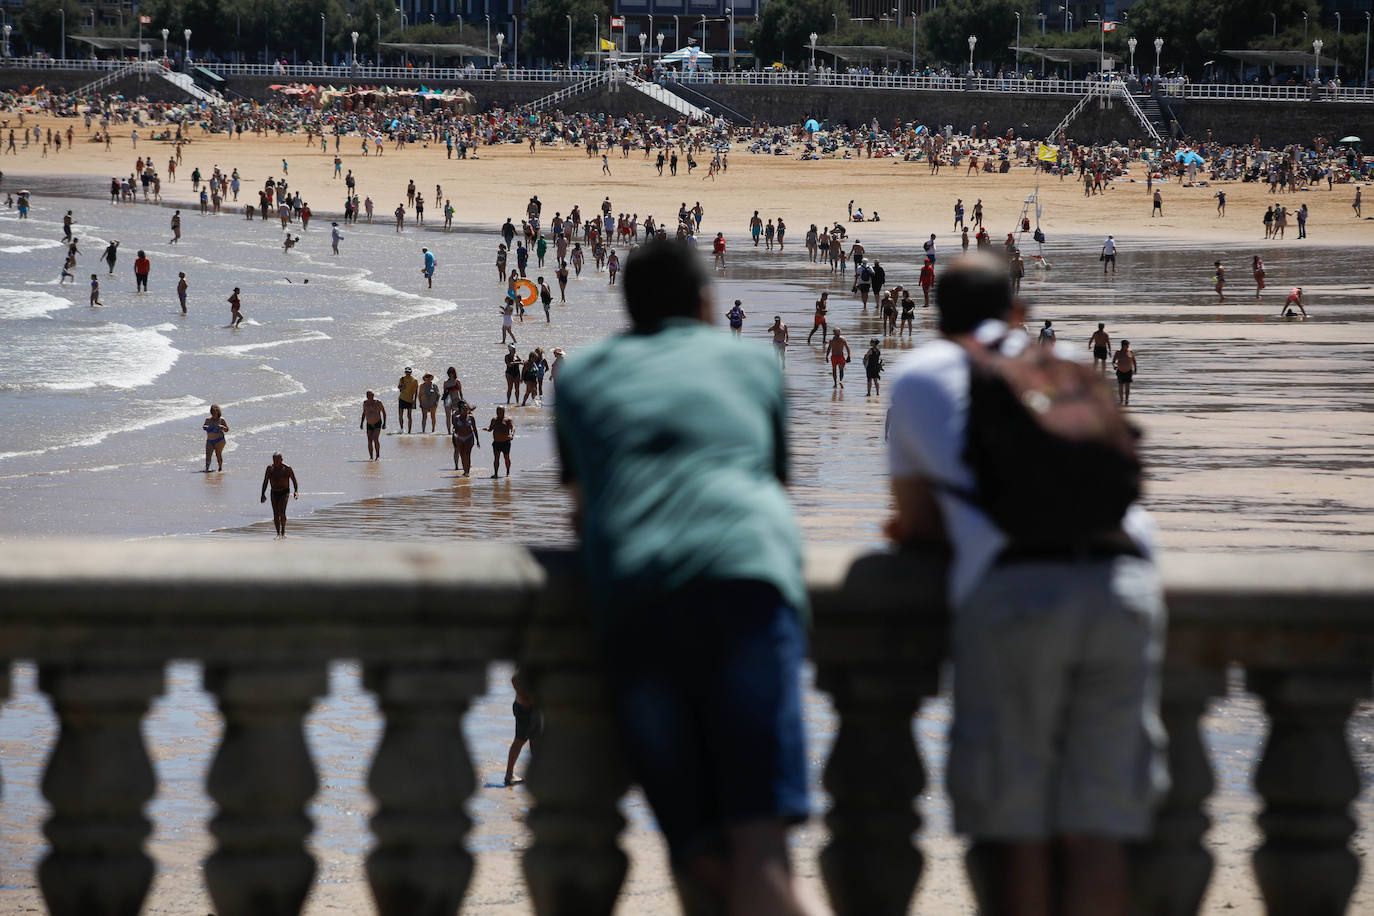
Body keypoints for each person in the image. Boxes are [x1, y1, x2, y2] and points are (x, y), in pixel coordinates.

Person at [885, 254, 1165, 916]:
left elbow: (920, 521)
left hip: (1019, 591)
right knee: (1099, 826)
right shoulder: (1064, 361)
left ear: (933, 313)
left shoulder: (921, 373)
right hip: (1126, 578)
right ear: (1017, 311)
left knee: (1019, 832)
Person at [553, 239, 811, 915]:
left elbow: (582, 510)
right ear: (706, 302)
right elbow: (776, 483)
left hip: (640, 599)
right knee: (760, 845)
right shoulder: (755, 362)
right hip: (750, 584)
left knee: (697, 848)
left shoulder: (580, 375)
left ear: (628, 306)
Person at [504, 668, 542, 787]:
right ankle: (509, 775)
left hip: (535, 709)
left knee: (535, 740)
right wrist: (524, 697)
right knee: (520, 740)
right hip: (524, 708)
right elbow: (514, 678)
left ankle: (536, 773)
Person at [260, 452, 299, 540]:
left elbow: (294, 480)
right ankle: (278, 533)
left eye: (277, 459)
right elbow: (265, 481)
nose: (275, 461)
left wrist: (296, 491)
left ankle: (283, 532)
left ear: (281, 460)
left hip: (284, 492)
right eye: (274, 459)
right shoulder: (270, 468)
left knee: (282, 512)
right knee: (275, 513)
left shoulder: (287, 468)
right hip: (274, 492)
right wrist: (262, 494)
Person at [484, 406, 514, 478]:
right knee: (496, 458)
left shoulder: (508, 420)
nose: (499, 413)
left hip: (505, 442)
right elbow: (490, 428)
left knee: (506, 457)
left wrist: (512, 434)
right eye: (498, 411)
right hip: (496, 442)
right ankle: (496, 473)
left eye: (501, 411)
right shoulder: (494, 420)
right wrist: (487, 429)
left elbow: (513, 427)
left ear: (504, 411)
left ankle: (508, 472)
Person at [451, 402, 479, 475]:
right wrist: (455, 436)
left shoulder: (471, 418)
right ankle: (464, 470)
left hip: (469, 437)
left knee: (468, 454)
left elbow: (475, 429)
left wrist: (478, 440)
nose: (465, 410)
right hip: (460, 438)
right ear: (460, 409)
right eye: (463, 408)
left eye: (466, 408)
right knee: (462, 455)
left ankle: (467, 472)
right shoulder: (457, 418)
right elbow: (455, 429)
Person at [360, 390, 387, 460]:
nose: (368, 396)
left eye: (369, 395)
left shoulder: (378, 403)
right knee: (369, 440)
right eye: (367, 395)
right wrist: (361, 423)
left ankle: (377, 456)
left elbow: (384, 413)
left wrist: (384, 423)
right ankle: (371, 457)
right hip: (369, 423)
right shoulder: (365, 403)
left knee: (375, 439)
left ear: (373, 395)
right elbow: (364, 413)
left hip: (377, 423)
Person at [1113, 339, 1139, 405]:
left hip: (1129, 371)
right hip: (1120, 371)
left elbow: (1134, 361)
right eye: (1127, 345)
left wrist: (1135, 369)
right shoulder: (1118, 353)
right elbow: (1113, 362)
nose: (1127, 346)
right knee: (1121, 386)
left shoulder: (1130, 352)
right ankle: (1121, 400)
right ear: (1123, 345)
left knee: (1127, 387)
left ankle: (1127, 400)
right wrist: (1115, 366)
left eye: (1128, 345)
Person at [203, 405, 228, 472]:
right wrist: (205, 427)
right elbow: (204, 427)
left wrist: (222, 427)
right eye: (212, 413)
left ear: (218, 412)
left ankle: (220, 468)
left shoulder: (221, 420)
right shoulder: (208, 420)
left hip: (219, 440)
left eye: (214, 413)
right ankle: (207, 469)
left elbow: (227, 429)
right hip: (210, 440)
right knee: (208, 454)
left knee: (218, 454)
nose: (213, 414)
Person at [396, 367, 419, 433]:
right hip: (402, 398)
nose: (407, 373)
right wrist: (401, 387)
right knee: (400, 415)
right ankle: (401, 429)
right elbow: (399, 387)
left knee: (409, 416)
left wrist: (415, 401)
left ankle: (409, 431)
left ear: (411, 372)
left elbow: (416, 391)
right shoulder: (402, 379)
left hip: (410, 399)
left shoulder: (414, 380)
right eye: (406, 372)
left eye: (409, 372)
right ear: (405, 372)